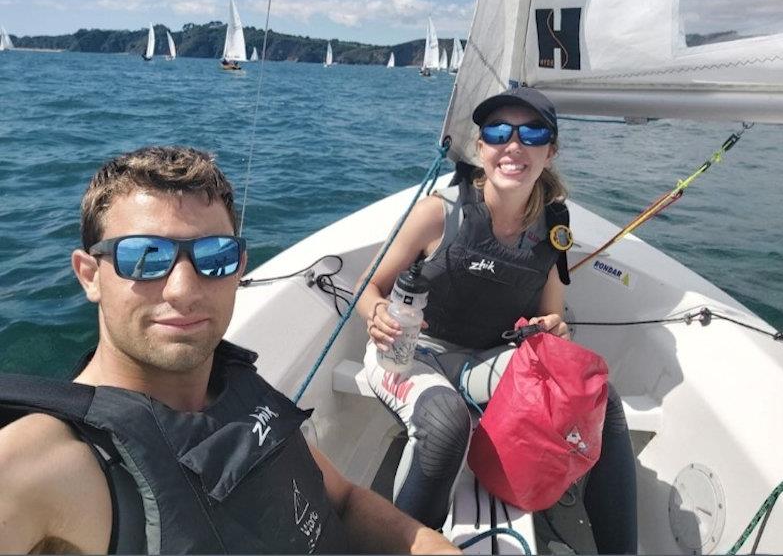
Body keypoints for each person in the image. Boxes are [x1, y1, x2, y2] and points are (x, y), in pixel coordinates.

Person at [0, 145, 461, 555]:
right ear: (89, 275)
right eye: (144, 257)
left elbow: (341, 499)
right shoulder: (50, 463)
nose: (183, 289)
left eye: (214, 256)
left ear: (239, 265)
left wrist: (430, 546)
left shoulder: (232, 377)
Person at [355, 87, 638, 554]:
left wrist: (554, 330)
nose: (514, 145)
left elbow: (553, 316)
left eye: (532, 133)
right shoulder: (438, 215)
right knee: (446, 425)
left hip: (485, 360)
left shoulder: (553, 234)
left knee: (601, 401)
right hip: (408, 353)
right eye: (498, 132)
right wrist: (378, 315)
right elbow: (367, 286)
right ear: (481, 147)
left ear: (551, 150)